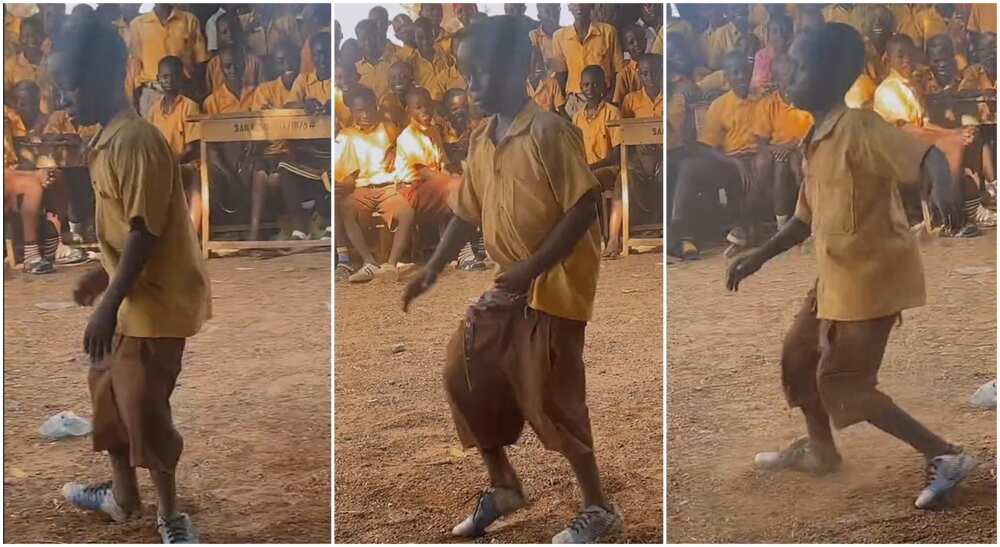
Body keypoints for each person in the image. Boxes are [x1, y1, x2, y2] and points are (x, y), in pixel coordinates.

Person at [726, 22, 977, 510]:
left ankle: (945, 455)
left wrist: (942, 183)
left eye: (797, 65)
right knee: (798, 359)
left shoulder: (860, 126)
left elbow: (923, 155)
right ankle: (822, 451)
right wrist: (757, 255)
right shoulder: (816, 138)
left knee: (843, 384)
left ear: (829, 75)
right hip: (836, 280)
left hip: (872, 280)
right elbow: (804, 218)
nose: (786, 71)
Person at [402, 16, 621, 543]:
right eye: (467, 73)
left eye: (484, 71)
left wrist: (530, 268)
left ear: (520, 68)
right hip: (512, 285)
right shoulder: (483, 138)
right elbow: (465, 211)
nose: (473, 83)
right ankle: (503, 485)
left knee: (553, 398)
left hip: (556, 287)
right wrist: (431, 267)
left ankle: (598, 508)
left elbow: (584, 205)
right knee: (465, 371)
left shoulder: (548, 131)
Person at [50, 16, 209, 543]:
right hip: (126, 299)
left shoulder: (135, 142)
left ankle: (170, 516)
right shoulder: (106, 141)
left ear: (111, 74)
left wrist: (106, 300)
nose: (66, 99)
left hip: (153, 305)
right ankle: (122, 498)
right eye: (61, 88)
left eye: (74, 86)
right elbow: (127, 230)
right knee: (108, 397)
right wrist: (102, 276)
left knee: (143, 407)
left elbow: (146, 232)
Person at [335, 85, 413, 283]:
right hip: (361, 188)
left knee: (406, 212)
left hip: (387, 187)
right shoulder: (346, 136)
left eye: (368, 109)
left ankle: (391, 265)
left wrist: (395, 147)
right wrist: (346, 181)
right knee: (345, 207)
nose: (365, 115)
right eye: (359, 111)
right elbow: (343, 170)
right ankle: (369, 262)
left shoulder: (387, 128)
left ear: (375, 106)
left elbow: (404, 144)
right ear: (352, 112)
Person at [699, 51, 760, 254]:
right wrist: (733, 162)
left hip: (761, 156)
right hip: (731, 158)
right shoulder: (719, 105)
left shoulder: (763, 98)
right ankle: (745, 230)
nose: (741, 76)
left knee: (764, 167)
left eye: (744, 71)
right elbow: (708, 148)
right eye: (735, 72)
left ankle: (743, 230)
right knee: (737, 174)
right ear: (727, 77)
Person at [750, 55, 813, 231]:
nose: (791, 79)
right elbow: (761, 142)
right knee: (781, 163)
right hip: (780, 152)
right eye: (785, 75)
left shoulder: (807, 101)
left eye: (794, 74)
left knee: (795, 162)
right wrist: (778, 148)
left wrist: (794, 146)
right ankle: (783, 224)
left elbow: (815, 131)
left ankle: (807, 219)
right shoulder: (768, 104)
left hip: (805, 147)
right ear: (776, 79)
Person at [248, 42, 302, 242]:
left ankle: (297, 228)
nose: (287, 64)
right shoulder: (265, 89)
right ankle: (254, 233)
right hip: (269, 152)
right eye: (281, 61)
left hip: (297, 153)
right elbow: (260, 130)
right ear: (274, 66)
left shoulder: (304, 86)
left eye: (291, 59)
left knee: (278, 171)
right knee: (261, 172)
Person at [145, 56, 203, 234]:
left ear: (182, 77)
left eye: (173, 76)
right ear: (158, 78)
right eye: (164, 77)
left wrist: (168, 162)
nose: (169, 81)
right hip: (163, 165)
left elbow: (192, 149)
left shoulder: (189, 106)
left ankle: (191, 234)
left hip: (187, 165)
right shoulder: (154, 110)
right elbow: (150, 144)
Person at [573, 65, 622, 258]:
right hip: (586, 170)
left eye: (595, 84)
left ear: (604, 85)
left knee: (587, 182)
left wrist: (589, 167)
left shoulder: (612, 113)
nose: (590, 89)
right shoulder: (577, 117)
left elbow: (617, 154)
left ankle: (611, 239)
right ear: (580, 87)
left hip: (608, 169)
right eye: (586, 85)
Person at [128, 4, 209, 117]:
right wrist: (135, 100)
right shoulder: (137, 25)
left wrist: (194, 91)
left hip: (184, 91)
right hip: (151, 93)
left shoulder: (189, 20)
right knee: (152, 134)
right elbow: (134, 67)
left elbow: (201, 61)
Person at [552, 3, 624, 119]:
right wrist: (561, 107)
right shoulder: (559, 37)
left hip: (603, 97)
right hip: (574, 101)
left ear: (592, 5)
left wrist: (610, 99)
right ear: (569, 7)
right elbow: (560, 76)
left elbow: (618, 71)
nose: (579, 5)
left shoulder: (608, 32)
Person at [205, 11, 263, 94]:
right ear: (217, 36)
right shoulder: (212, 65)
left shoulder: (255, 63)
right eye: (224, 32)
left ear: (240, 32)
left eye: (233, 30)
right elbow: (209, 98)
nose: (230, 35)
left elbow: (265, 95)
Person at [612, 24, 647, 105]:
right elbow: (617, 103)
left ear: (645, 41)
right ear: (625, 47)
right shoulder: (624, 75)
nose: (636, 44)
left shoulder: (656, 66)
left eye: (640, 40)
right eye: (631, 42)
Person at [526, 46, 565, 114]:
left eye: (540, 61)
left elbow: (561, 110)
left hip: (548, 122)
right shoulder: (523, 86)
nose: (538, 65)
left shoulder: (552, 83)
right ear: (527, 64)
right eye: (534, 62)